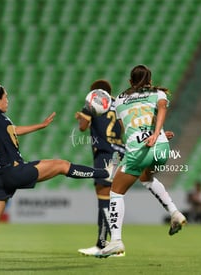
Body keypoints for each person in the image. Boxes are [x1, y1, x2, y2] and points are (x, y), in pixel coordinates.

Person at [0, 82, 117, 261]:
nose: (8, 100)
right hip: (13, 171)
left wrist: (40, 125)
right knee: (61, 165)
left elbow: (13, 131)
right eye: (5, 97)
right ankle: (105, 173)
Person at [96, 65, 187, 258]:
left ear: (130, 81)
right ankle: (175, 213)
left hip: (140, 148)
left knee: (115, 191)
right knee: (146, 177)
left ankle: (116, 241)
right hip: (161, 149)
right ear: (150, 80)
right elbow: (160, 111)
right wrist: (158, 134)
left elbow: (124, 129)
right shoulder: (158, 93)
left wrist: (151, 135)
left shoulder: (120, 99)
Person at [75, 80, 125, 256]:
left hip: (104, 154)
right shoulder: (117, 103)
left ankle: (105, 245)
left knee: (104, 198)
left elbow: (82, 128)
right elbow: (122, 128)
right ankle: (108, 244)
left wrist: (82, 117)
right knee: (111, 198)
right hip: (119, 151)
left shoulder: (95, 101)